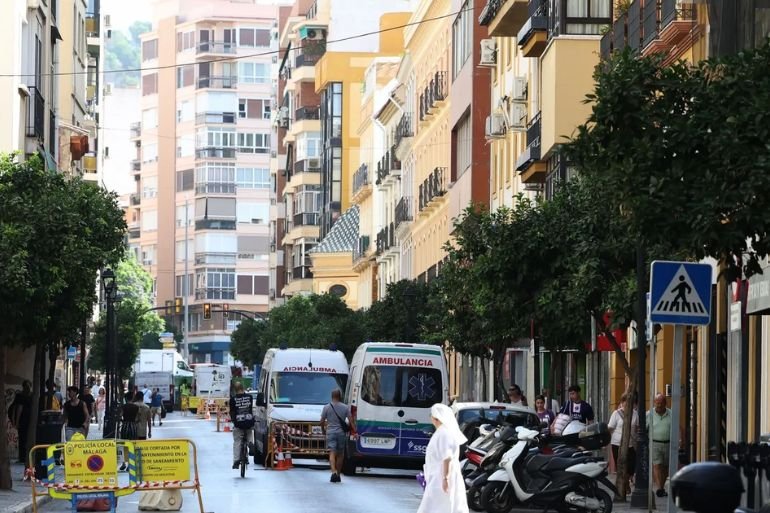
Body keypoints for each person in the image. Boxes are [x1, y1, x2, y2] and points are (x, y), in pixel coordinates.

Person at [417, 404, 469, 513]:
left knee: (438, 506)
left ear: (435, 417)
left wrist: (445, 479)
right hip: (437, 476)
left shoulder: (444, 433)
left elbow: (447, 458)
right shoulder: (442, 432)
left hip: (440, 478)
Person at [320, 389, 354, 483]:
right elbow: (351, 421)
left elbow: (322, 421)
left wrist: (323, 430)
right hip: (341, 433)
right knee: (340, 455)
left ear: (332, 396)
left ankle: (333, 471)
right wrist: (355, 431)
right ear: (340, 396)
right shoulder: (345, 407)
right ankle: (338, 475)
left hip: (330, 432)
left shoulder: (326, 407)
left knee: (332, 453)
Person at [608, 393, 639, 494]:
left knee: (631, 467)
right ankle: (623, 486)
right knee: (621, 466)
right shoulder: (616, 414)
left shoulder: (635, 414)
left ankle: (625, 482)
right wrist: (606, 441)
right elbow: (610, 428)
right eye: (624, 401)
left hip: (631, 444)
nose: (627, 404)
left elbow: (637, 428)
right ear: (622, 402)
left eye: (630, 402)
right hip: (617, 444)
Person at [647, 393, 672, 498]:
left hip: (668, 443)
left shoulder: (671, 413)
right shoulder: (649, 414)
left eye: (661, 403)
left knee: (665, 467)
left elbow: (678, 427)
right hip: (654, 443)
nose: (659, 405)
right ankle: (659, 488)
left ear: (665, 404)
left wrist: (680, 440)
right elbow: (643, 428)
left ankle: (661, 486)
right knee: (657, 465)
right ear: (654, 403)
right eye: (657, 403)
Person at [229, 382, 255, 469]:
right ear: (243, 388)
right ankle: (250, 443)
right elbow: (250, 409)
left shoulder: (233, 399)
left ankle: (236, 461)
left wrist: (233, 421)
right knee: (249, 433)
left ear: (235, 390)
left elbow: (232, 412)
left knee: (237, 441)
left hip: (238, 422)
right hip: (248, 420)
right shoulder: (249, 397)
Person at [9, 380, 33, 463]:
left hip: (25, 420)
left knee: (23, 439)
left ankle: (23, 457)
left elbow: (17, 409)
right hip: (27, 420)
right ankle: (25, 457)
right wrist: (16, 421)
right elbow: (18, 409)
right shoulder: (28, 396)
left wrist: (16, 421)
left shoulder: (22, 395)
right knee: (24, 439)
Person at [119, 393, 139, 471]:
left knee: (124, 444)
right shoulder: (136, 407)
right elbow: (137, 418)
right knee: (132, 444)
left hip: (125, 426)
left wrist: (121, 420)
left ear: (126, 399)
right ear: (132, 398)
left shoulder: (123, 407)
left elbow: (120, 416)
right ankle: (130, 465)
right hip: (133, 426)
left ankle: (123, 463)